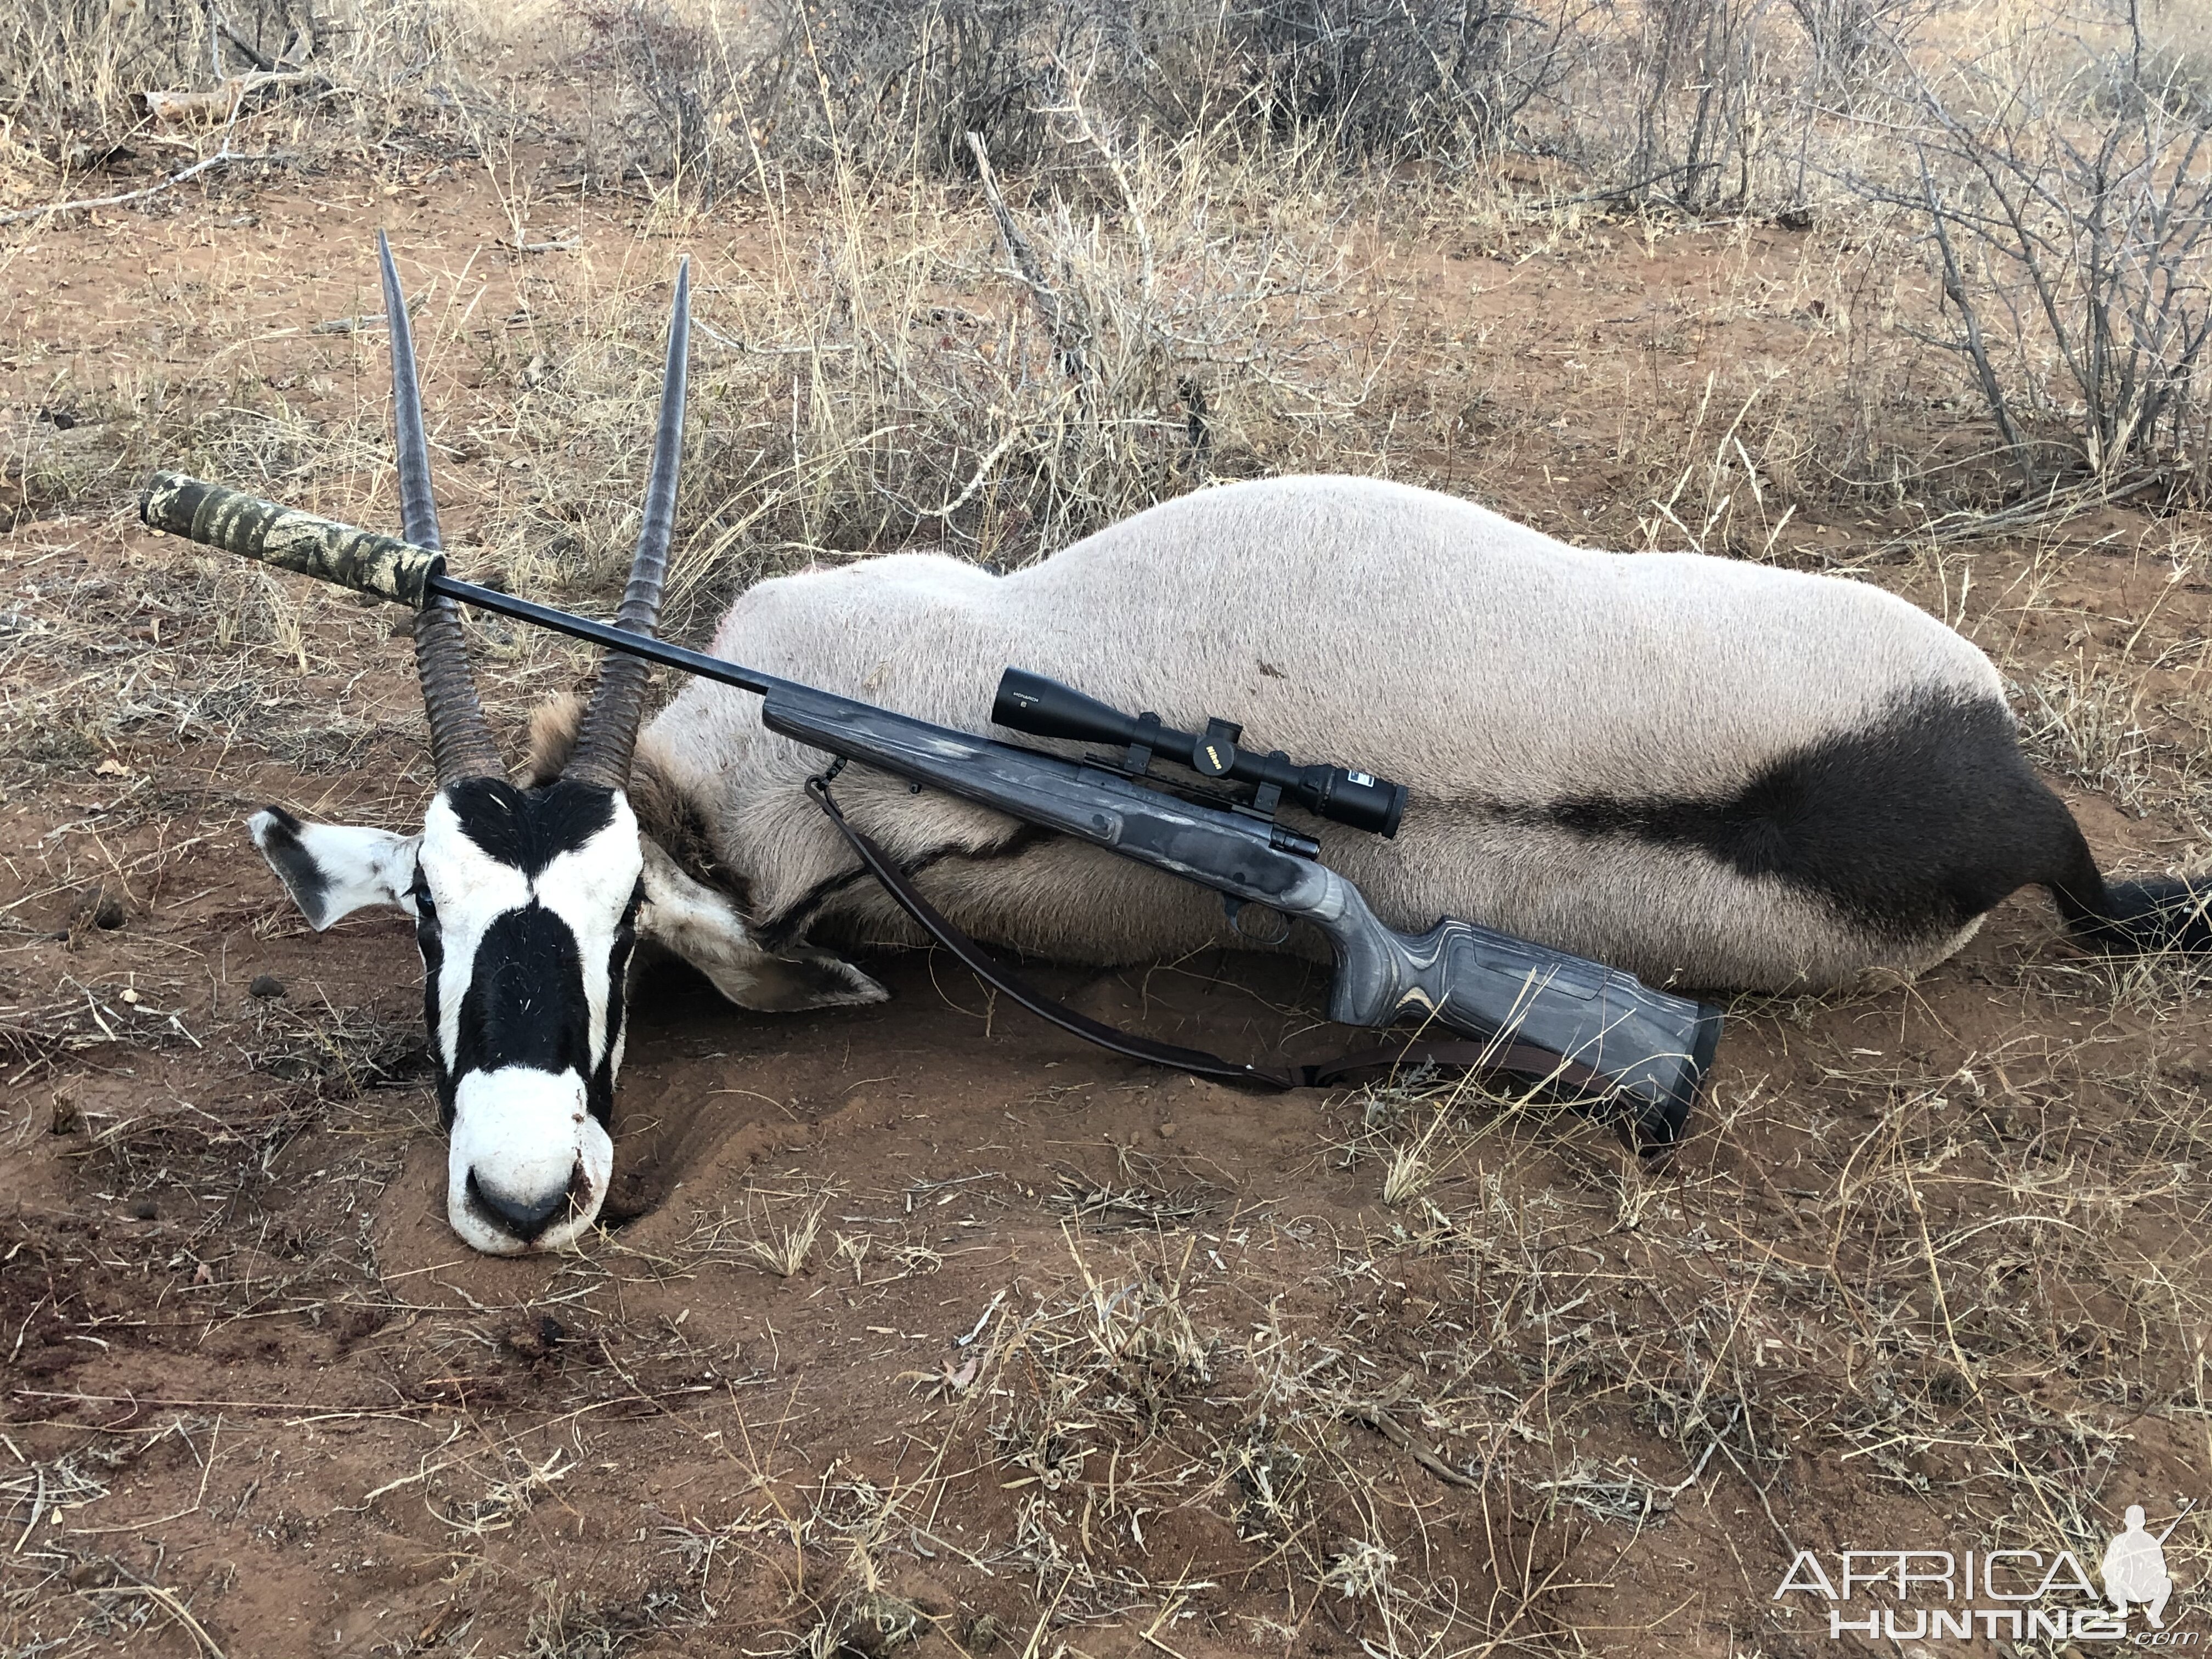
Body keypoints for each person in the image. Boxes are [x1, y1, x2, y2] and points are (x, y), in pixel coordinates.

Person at [2102, 1505, 2175, 1627]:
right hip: (2123, 1589)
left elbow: (2162, 1571)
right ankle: (2122, 1608)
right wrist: (2118, 1578)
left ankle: (2154, 1615)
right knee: (2110, 1583)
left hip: (2144, 1590)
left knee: (2166, 1583)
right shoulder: (2119, 1542)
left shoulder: (2151, 1543)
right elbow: (2106, 1569)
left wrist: (2149, 1573)